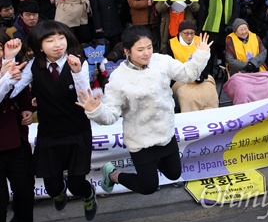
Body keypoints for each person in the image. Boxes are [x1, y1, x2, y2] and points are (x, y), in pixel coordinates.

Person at [76, 26, 211, 195]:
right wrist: (96, 110)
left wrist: (201, 54)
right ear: (127, 51)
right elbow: (110, 116)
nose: (146, 53)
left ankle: (151, 164)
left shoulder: (162, 61)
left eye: (149, 48)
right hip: (140, 140)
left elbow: (188, 74)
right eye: (140, 49)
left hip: (164, 134)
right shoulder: (118, 77)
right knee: (148, 187)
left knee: (174, 173)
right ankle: (113, 175)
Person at [5, 21, 98, 221]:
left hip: (77, 131)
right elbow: (13, 92)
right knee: (53, 187)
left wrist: (76, 72)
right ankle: (59, 191)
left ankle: (88, 193)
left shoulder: (77, 62)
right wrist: (9, 73)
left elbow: (85, 97)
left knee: (77, 184)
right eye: (50, 40)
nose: (58, 44)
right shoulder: (32, 66)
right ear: (39, 46)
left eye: (61, 38)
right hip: (49, 133)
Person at [0, 33, 35, 222]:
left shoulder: (11, 64)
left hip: (15, 140)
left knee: (24, 190)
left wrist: (26, 109)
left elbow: (21, 90)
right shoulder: (7, 65)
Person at [168, 20, 218, 112]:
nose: (190, 36)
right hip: (181, 79)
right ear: (180, 32)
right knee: (188, 96)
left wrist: (201, 75)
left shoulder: (201, 41)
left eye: (192, 33)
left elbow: (208, 63)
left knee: (210, 93)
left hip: (202, 76)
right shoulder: (171, 44)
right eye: (186, 33)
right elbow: (170, 67)